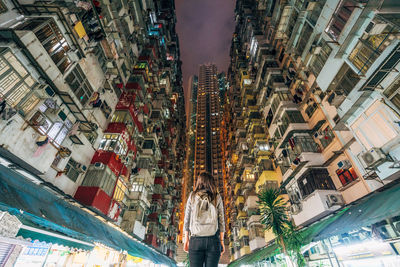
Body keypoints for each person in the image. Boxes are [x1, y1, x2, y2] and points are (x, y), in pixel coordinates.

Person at [183, 172, 225, 267]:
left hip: (195, 240)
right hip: (213, 240)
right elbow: (221, 220)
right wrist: (222, 241)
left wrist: (186, 239)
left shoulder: (192, 196)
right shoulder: (217, 197)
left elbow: (187, 219)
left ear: (199, 182)